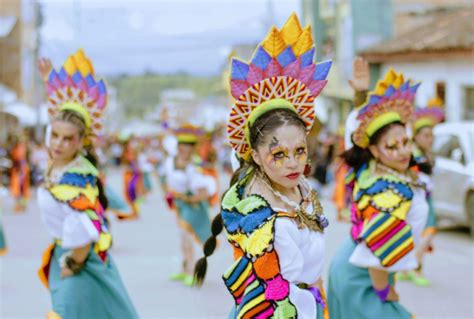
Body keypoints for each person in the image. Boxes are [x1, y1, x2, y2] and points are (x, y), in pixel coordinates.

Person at [194, 13, 331, 318]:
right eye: (278, 154)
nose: (293, 163)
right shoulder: (262, 216)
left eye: (300, 150)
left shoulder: (297, 187)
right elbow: (281, 288)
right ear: (254, 155)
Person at [36, 50, 138, 318]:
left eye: (67, 139)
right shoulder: (62, 164)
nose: (58, 143)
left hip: (80, 261)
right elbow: (60, 122)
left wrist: (73, 263)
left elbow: (83, 227)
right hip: (71, 255)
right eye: (55, 136)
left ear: (81, 142)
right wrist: (50, 84)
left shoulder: (75, 178)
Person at [327, 68, 429, 318]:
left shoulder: (371, 168)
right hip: (363, 277)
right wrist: (384, 292)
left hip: (353, 268)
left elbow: (356, 136)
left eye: (404, 142)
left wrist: (361, 96)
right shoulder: (387, 192)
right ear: (374, 150)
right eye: (391, 147)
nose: (402, 151)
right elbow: (375, 254)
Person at [397, 100, 445, 287]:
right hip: (419, 196)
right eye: (425, 135)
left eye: (431, 135)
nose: (429, 139)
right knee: (428, 230)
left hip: (424, 195)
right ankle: (413, 266)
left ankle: (408, 268)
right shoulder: (414, 154)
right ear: (416, 136)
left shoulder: (425, 153)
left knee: (418, 232)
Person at [160, 124, 215, 286]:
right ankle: (185, 269)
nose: (185, 149)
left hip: (193, 206)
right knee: (182, 236)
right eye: (183, 145)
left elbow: (205, 191)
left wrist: (188, 198)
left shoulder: (195, 166)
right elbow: (164, 178)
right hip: (179, 204)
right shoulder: (171, 161)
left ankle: (192, 271)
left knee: (187, 236)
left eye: (189, 146)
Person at [9, 135, 30, 212]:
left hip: (20, 171)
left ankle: (21, 206)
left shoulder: (20, 148)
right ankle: (21, 206)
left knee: (20, 189)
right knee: (20, 190)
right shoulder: (19, 148)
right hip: (19, 170)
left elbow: (19, 159)